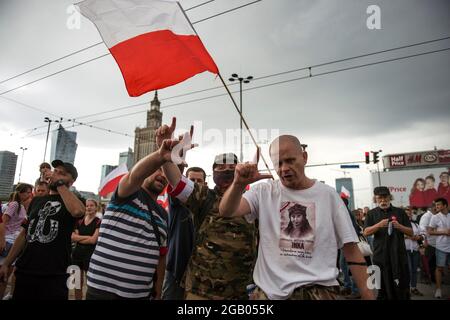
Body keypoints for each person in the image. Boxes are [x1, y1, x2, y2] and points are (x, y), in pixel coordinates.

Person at [220, 135, 374, 300]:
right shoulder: (264, 192)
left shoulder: (328, 196)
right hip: (270, 295)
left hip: (318, 293)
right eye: (278, 163)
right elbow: (227, 211)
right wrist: (238, 184)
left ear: (304, 157)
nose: (284, 168)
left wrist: (369, 296)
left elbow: (351, 250)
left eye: (290, 160)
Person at [158, 118, 258, 300]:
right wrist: (166, 155)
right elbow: (176, 181)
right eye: (221, 168)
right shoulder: (203, 196)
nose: (227, 171)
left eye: (231, 168)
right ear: (213, 173)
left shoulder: (253, 200)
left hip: (240, 292)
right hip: (201, 290)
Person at [86, 141, 172, 300]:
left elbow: (161, 256)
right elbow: (134, 176)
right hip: (100, 289)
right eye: (157, 169)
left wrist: (158, 290)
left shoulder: (164, 215)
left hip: (138, 294)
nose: (162, 175)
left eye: (166, 172)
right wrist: (160, 156)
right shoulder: (127, 193)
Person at [0, 160, 85, 300]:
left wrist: (59, 183)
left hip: (54, 274)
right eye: (55, 171)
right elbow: (24, 234)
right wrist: (7, 263)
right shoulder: (36, 201)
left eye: (61, 173)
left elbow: (77, 211)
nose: (55, 174)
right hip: (25, 270)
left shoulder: (76, 200)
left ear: (72, 181)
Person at [162, 166, 206, 300]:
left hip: (201, 276)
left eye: (199, 181)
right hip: (176, 271)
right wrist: (176, 162)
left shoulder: (210, 207)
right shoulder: (177, 203)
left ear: (205, 184)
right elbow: (175, 183)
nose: (195, 183)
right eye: (191, 180)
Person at [364, 186, 413, 300]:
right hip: (380, 255)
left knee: (401, 285)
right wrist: (379, 225)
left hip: (398, 255)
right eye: (379, 198)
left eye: (385, 198)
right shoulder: (371, 214)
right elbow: (366, 232)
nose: (383, 201)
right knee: (382, 286)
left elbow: (411, 232)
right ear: (375, 199)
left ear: (390, 198)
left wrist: (399, 226)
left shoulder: (400, 212)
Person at [0, 184, 33, 298]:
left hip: (14, 241)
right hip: (7, 240)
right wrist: (2, 239)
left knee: (6, 277)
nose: (30, 194)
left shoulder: (22, 207)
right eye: (28, 192)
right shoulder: (14, 204)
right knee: (2, 276)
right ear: (20, 193)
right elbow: (3, 221)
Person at [71, 199, 101, 300]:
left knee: (90, 284)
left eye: (91, 205)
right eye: (87, 206)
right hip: (77, 255)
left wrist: (80, 238)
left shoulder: (99, 222)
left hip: (91, 256)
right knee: (76, 283)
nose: (89, 207)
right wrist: (87, 237)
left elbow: (93, 240)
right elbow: (73, 237)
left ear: (96, 207)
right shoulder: (79, 221)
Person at [428, 197, 449, 299]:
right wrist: (443, 232)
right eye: (436, 205)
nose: (436, 207)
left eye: (439, 205)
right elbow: (430, 231)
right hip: (441, 247)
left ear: (445, 205)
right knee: (439, 268)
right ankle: (438, 289)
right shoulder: (435, 217)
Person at [404, 206, 424, 296]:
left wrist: (419, 237)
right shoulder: (400, 225)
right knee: (408, 270)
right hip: (405, 250)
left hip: (415, 250)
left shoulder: (415, 224)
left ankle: (414, 288)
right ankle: (406, 289)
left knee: (414, 270)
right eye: (406, 213)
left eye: (410, 213)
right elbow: (395, 236)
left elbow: (423, 235)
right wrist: (408, 236)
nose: (408, 215)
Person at [419, 202, 437, 283]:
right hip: (428, 242)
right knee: (427, 261)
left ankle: (433, 278)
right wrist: (424, 241)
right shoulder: (426, 216)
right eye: (435, 207)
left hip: (435, 242)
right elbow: (422, 229)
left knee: (433, 262)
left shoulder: (435, 216)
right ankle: (425, 278)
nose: (437, 208)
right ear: (431, 207)